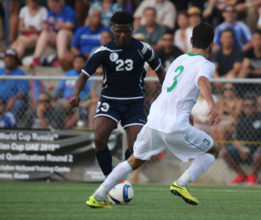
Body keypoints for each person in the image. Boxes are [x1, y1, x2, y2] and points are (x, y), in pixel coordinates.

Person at [84, 22, 219, 208]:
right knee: (213, 150)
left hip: (155, 120)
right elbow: (202, 80)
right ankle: (181, 184)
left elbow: (169, 89)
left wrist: (187, 113)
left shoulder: (178, 60)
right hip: (175, 126)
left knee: (134, 160)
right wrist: (211, 104)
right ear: (211, 44)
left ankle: (97, 196)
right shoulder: (206, 65)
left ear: (191, 40)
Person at [70, 11, 165, 181]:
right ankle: (110, 179)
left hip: (134, 102)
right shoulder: (103, 51)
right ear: (113, 29)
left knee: (138, 148)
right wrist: (76, 94)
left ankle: (119, 176)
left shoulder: (143, 49)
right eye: (118, 31)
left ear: (132, 29)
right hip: (110, 101)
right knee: (99, 139)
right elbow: (83, 75)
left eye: (126, 31)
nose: (122, 35)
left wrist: (166, 95)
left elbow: (160, 70)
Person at [221, 94, 261, 185]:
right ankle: (242, 175)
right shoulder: (241, 121)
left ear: (256, 107)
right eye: (246, 105)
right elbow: (236, 140)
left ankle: (254, 175)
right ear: (243, 107)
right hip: (246, 150)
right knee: (224, 152)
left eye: (252, 105)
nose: (249, 108)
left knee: (258, 155)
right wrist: (241, 149)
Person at [30, 0, 77, 67]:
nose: (52, 7)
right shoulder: (50, 13)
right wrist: (46, 27)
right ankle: (36, 59)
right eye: (50, 5)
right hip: (57, 38)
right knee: (45, 33)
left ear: (59, 3)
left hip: (70, 38)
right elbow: (49, 27)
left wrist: (56, 23)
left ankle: (61, 59)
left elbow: (70, 25)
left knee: (62, 32)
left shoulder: (68, 10)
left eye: (53, 5)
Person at [238, 30, 261, 97]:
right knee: (242, 72)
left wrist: (250, 71)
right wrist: (246, 70)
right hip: (251, 76)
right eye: (255, 39)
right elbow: (245, 66)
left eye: (259, 39)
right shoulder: (249, 52)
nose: (257, 42)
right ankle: (241, 96)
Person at [0, 49, 29, 121]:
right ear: (4, 59)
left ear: (16, 60)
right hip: (1, 100)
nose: (9, 60)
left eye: (12, 58)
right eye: (7, 57)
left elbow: (23, 93)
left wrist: (13, 99)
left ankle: (10, 125)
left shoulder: (20, 74)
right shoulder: (0, 70)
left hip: (13, 100)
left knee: (18, 103)